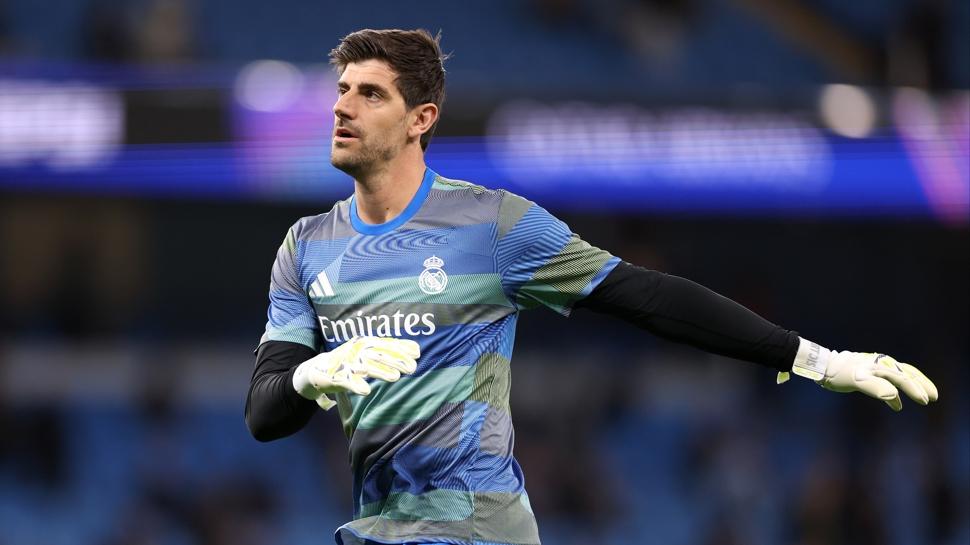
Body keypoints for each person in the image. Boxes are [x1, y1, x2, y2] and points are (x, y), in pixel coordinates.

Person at [244, 28, 939, 545]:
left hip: (474, 529)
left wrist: (813, 359)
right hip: (378, 529)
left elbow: (645, 296)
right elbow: (264, 414)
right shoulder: (307, 246)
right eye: (342, 91)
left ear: (420, 119)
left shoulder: (493, 225)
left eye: (370, 93)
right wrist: (310, 374)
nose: (343, 107)